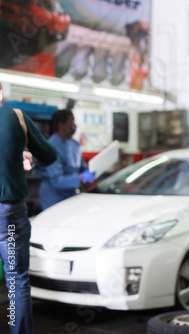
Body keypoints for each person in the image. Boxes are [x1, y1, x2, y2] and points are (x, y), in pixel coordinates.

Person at [0, 81, 57, 333]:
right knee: (16, 278)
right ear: (0, 93)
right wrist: (20, 150)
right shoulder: (16, 117)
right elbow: (49, 155)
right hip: (8, 214)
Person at [38, 109, 95, 210]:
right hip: (54, 197)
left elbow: (80, 168)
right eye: (72, 122)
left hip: (71, 195)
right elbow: (57, 180)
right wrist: (81, 178)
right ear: (61, 125)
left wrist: (91, 169)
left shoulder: (74, 144)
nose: (75, 126)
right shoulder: (52, 147)